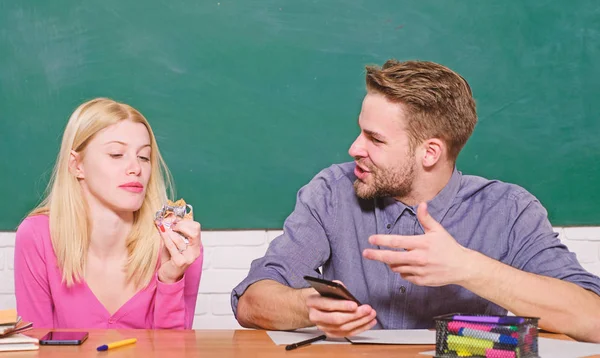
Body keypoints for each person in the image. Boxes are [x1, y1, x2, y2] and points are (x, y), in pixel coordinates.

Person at [231, 60, 600, 342]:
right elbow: (251, 301)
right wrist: (306, 307)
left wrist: (468, 268)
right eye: (360, 131)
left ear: (430, 153)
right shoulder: (331, 192)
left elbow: (592, 318)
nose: (354, 148)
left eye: (375, 139)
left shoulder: (509, 210)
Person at [14, 98, 203, 329]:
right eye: (116, 154)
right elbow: (36, 346)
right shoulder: (37, 236)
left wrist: (170, 279)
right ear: (76, 165)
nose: (136, 168)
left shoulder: (178, 245)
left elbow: (174, 351)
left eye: (144, 157)